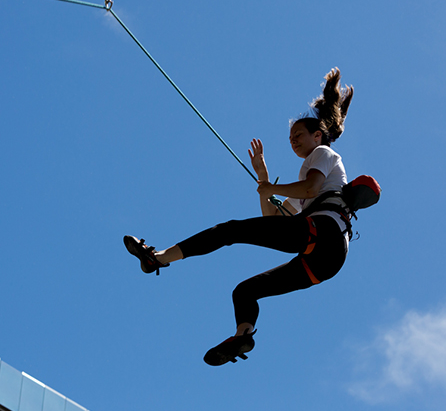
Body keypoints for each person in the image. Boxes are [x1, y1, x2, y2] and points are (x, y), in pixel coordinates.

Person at [125, 67, 354, 366]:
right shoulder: (304, 187)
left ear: (318, 135)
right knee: (245, 291)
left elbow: (310, 187)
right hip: (324, 260)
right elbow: (272, 218)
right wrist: (264, 182)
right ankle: (243, 335)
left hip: (324, 232)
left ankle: (160, 256)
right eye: (289, 138)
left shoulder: (323, 154)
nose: (293, 141)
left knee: (229, 230)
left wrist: (272, 186)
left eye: (298, 135)